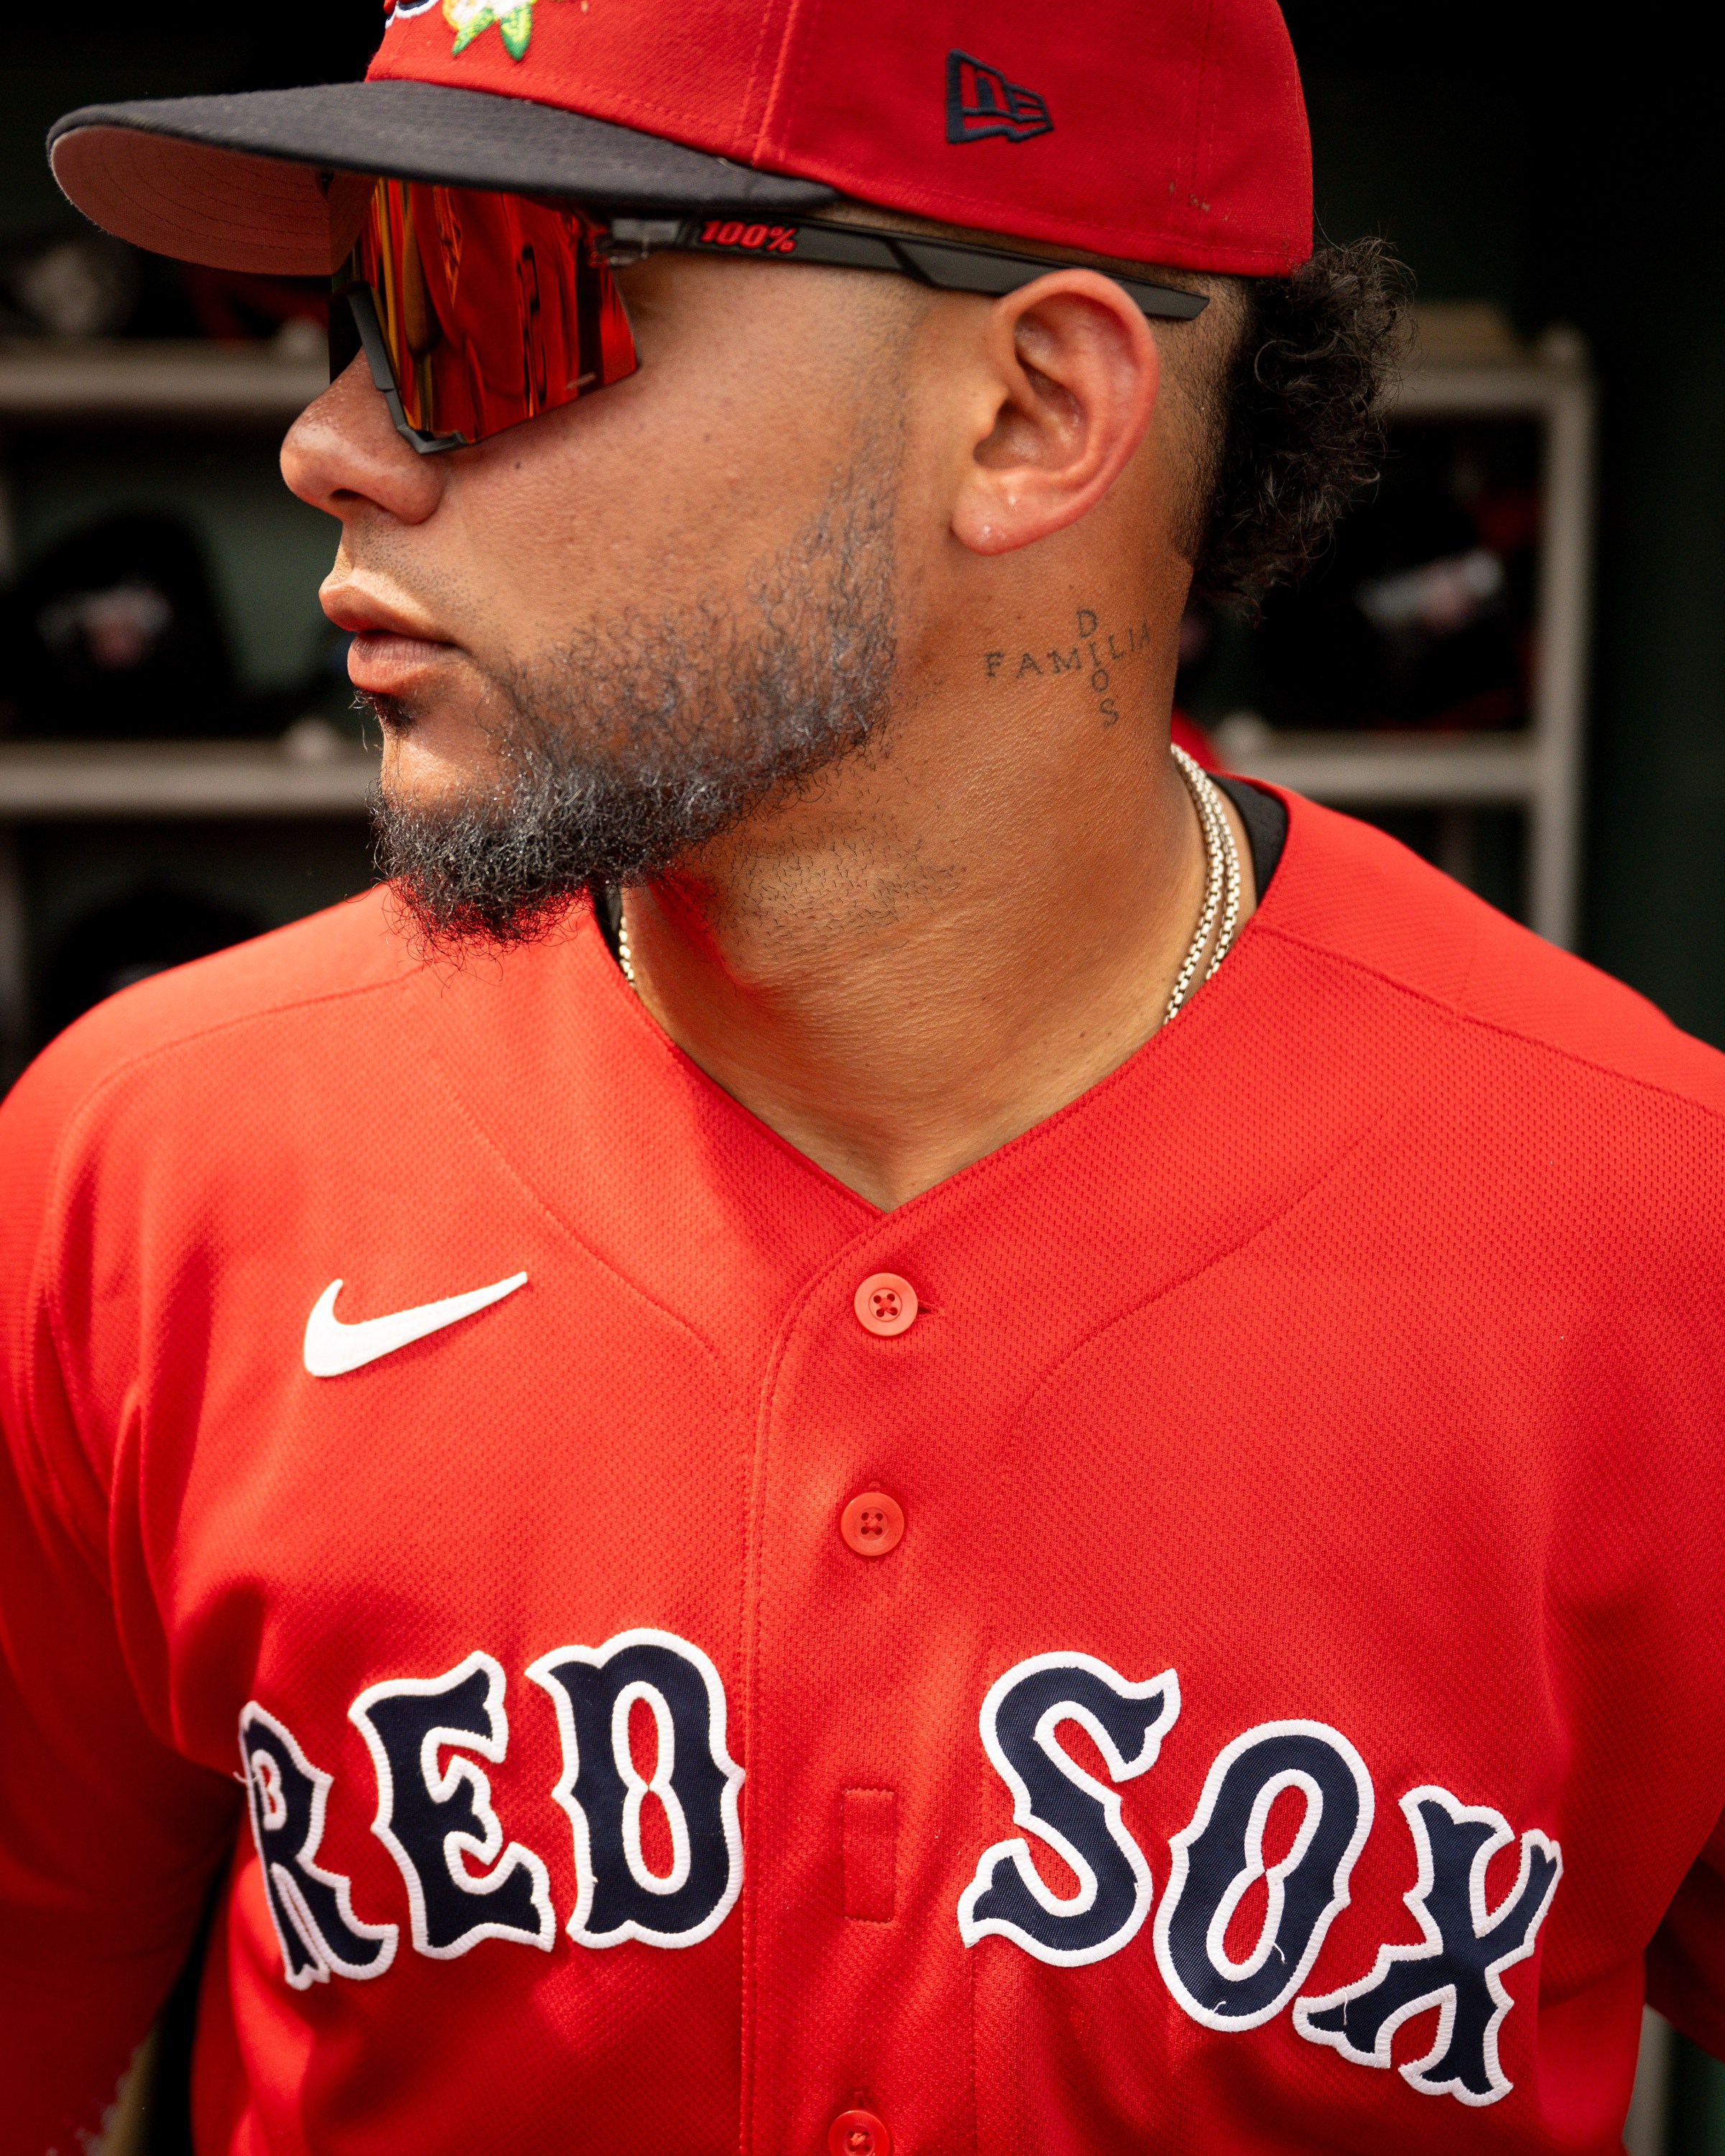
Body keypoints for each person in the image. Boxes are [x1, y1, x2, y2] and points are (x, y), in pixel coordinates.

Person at [5, 0, 1724, 2149]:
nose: (333, 442)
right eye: (348, 312)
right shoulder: (141, 1166)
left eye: (486, 301)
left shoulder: (1668, 1248)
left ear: (1026, 411)